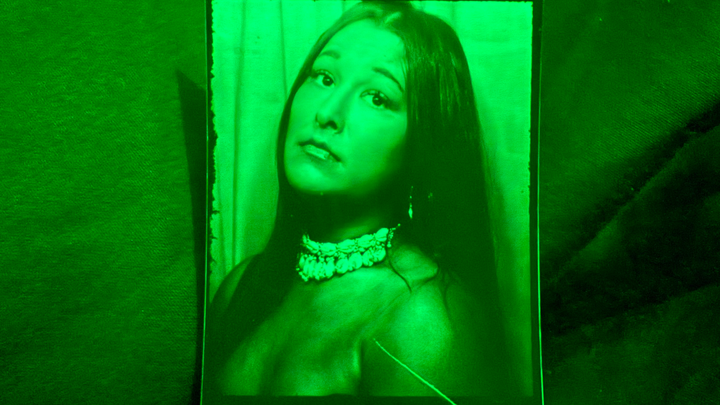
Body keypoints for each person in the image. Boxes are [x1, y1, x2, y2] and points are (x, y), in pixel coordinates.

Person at [204, 1, 513, 400]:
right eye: (324, 77)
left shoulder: (425, 317)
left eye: (377, 97)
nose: (327, 113)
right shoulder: (241, 285)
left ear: (423, 143)